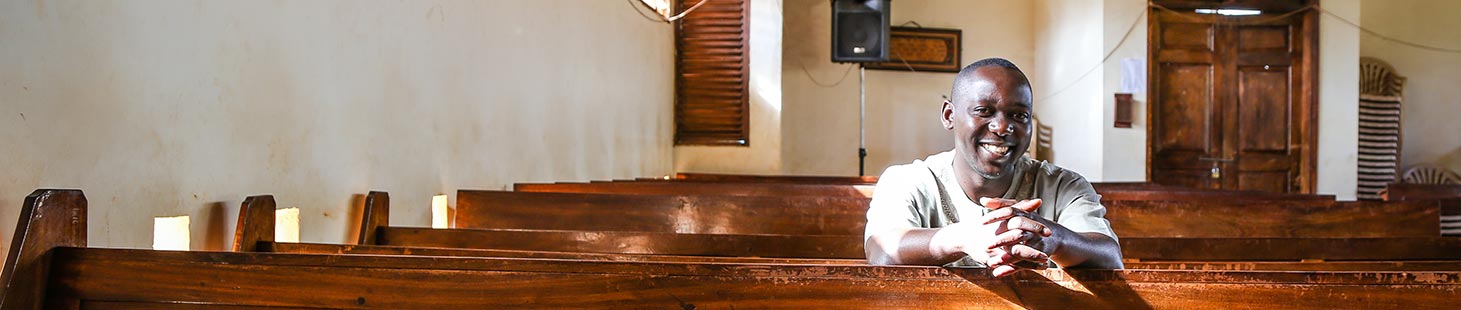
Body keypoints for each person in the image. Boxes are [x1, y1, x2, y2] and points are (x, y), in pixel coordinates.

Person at [862, 58, 1123, 277]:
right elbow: (882, 251)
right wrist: (966, 237)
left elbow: (1110, 258)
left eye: (1019, 115)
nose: (1002, 127)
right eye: (984, 111)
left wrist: (1051, 237)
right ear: (949, 116)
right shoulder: (908, 180)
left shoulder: (1063, 185)